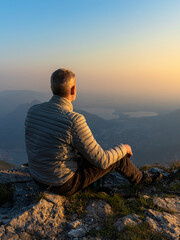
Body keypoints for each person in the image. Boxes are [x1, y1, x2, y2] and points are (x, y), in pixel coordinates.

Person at [25, 68, 162, 196]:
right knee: (117, 158)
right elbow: (102, 161)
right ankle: (142, 180)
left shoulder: (33, 111)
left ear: (52, 88)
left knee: (87, 154)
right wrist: (124, 148)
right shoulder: (73, 120)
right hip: (62, 184)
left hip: (38, 177)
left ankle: (95, 186)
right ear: (73, 89)